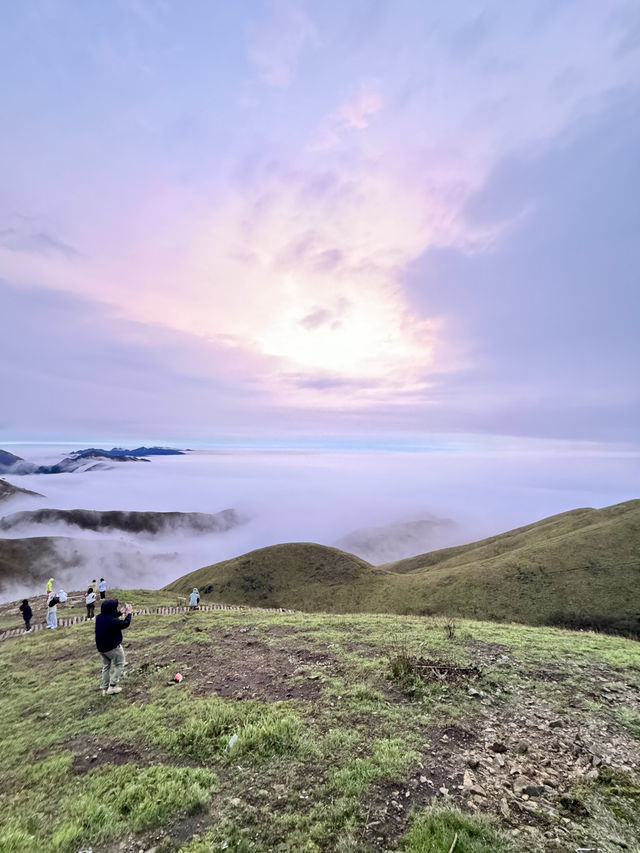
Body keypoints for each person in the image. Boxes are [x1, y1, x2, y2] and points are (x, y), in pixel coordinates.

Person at [95, 599, 133, 695]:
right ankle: (112, 686)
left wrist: (119, 613)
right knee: (120, 664)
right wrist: (129, 614)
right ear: (111, 609)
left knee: (106, 666)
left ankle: (105, 688)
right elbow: (125, 624)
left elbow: (109, 617)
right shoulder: (112, 621)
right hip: (112, 647)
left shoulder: (99, 617)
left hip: (101, 648)